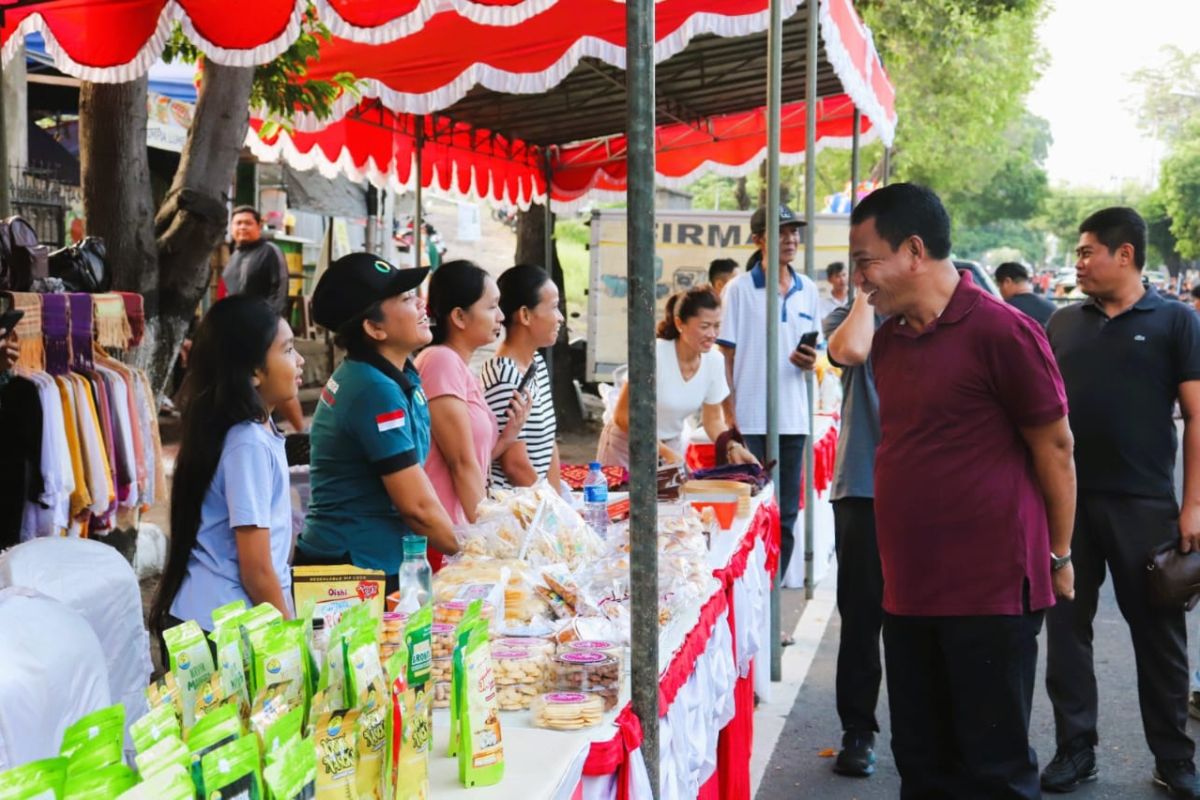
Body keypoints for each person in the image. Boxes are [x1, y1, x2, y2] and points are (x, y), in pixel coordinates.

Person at [839, 183, 1076, 799]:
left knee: (992, 767)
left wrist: (1061, 554)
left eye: (866, 262)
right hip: (911, 589)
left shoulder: (1005, 331)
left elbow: (1055, 448)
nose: (859, 281)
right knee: (921, 761)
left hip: (991, 592)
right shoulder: (890, 340)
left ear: (914, 251)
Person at [1043, 207, 1200, 798]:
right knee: (1066, 630)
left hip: (1145, 506)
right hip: (1068, 506)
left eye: (1087, 252)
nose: (1078, 263)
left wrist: (1194, 506)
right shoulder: (1062, 323)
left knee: (1159, 635)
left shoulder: (1176, 322)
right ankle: (1074, 750)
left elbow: (1197, 418)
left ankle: (1174, 759)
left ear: (1125, 254)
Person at [297, 253, 459, 592]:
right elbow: (416, 507)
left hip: (376, 561)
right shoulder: (372, 389)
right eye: (404, 299)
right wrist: (473, 553)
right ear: (374, 328)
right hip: (351, 571)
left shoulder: (397, 372)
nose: (420, 305)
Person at [149, 295, 302, 640]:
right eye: (289, 350)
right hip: (223, 629)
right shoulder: (247, 443)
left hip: (221, 620)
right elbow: (256, 569)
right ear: (253, 372)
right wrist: (290, 636)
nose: (300, 360)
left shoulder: (253, 433)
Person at [717, 203, 820, 622]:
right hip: (752, 418)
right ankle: (748, 605)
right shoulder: (740, 289)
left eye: (795, 231)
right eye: (782, 232)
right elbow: (726, 356)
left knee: (788, 514)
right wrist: (730, 417)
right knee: (750, 514)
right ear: (759, 238)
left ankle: (772, 601)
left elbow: (819, 356)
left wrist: (809, 359)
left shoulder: (808, 288)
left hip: (794, 418)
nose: (792, 239)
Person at [414, 261, 531, 554]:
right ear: (459, 317)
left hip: (461, 529)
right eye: (492, 307)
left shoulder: (460, 367)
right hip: (449, 538)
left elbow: (470, 458)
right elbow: (461, 464)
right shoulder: (440, 362)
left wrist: (506, 437)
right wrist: (488, 541)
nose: (501, 317)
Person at [824, 286, 884, 778]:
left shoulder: (943, 312)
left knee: (925, 621)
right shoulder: (853, 315)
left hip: (928, 490)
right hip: (863, 486)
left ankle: (923, 728)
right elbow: (849, 351)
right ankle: (858, 730)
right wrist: (867, 295)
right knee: (861, 619)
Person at [595, 287, 759, 468]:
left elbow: (713, 421)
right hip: (628, 444)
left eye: (717, 326)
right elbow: (622, 416)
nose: (712, 334)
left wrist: (732, 446)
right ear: (680, 324)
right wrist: (663, 451)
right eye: (705, 326)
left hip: (671, 444)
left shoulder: (715, 361)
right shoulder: (654, 353)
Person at [480, 264, 564, 492]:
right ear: (525, 315)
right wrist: (553, 509)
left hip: (539, 506)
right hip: (515, 511)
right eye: (554, 308)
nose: (560, 318)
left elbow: (548, 446)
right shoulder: (504, 378)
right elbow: (515, 466)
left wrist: (560, 505)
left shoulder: (536, 363)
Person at [222, 206, 305, 433]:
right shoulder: (234, 256)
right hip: (239, 330)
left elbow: (280, 287)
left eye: (248, 223)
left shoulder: (270, 251)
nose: (242, 227)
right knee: (252, 384)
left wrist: (272, 326)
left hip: (267, 330)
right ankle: (264, 426)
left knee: (279, 381)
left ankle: (302, 433)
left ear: (259, 226)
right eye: (237, 223)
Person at [996, 261, 1058, 326]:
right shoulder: (1052, 307)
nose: (1000, 291)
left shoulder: (1005, 310)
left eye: (999, 286)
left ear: (1007, 282)